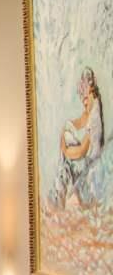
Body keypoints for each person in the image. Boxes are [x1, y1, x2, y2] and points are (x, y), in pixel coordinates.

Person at [49, 67, 106, 209]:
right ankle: (59, 193)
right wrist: (65, 128)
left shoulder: (94, 114)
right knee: (67, 136)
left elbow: (81, 151)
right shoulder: (92, 106)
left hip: (91, 164)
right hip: (87, 161)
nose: (83, 100)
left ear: (90, 87)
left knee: (66, 162)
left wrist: (65, 149)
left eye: (84, 94)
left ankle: (58, 196)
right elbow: (80, 120)